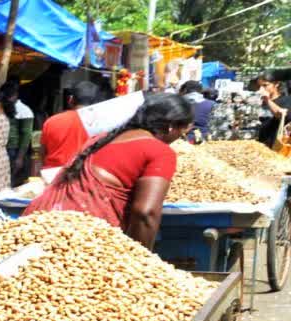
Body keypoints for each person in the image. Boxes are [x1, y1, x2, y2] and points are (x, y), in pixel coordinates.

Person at [24, 93, 193, 248]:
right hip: (80, 240)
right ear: (171, 127)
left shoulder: (100, 138)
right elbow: (145, 213)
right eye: (182, 131)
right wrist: (141, 261)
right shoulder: (159, 151)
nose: (180, 137)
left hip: (35, 226)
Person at [39, 81, 103, 169]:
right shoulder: (101, 124)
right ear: (97, 103)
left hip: (52, 175)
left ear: (70, 100)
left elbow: (42, 153)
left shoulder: (51, 121)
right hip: (84, 176)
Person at [2, 82, 35, 186]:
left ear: (15, 95)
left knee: (9, 179)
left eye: (8, 96)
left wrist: (20, 157)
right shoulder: (3, 107)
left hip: (13, 149)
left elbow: (26, 135)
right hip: (2, 148)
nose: (6, 99)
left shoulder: (24, 111)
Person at [256, 71, 291, 148]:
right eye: (260, 86)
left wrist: (267, 100)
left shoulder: (287, 100)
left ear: (276, 84)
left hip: (278, 147)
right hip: (262, 146)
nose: (262, 89)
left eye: (265, 85)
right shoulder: (262, 102)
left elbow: (283, 116)